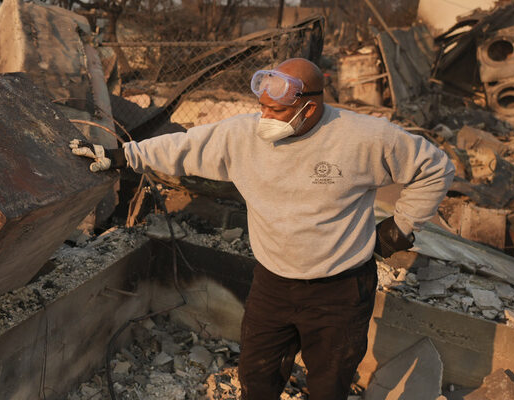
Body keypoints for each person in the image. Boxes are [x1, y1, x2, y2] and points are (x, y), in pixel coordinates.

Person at [70, 58, 454, 399]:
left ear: (309, 107)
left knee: (328, 385)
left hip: (339, 291)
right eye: (262, 107)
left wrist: (399, 229)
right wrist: (123, 156)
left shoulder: (365, 138)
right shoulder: (243, 136)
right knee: (257, 379)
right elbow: (185, 147)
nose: (265, 117)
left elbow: (435, 167)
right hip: (272, 285)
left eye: (277, 110)